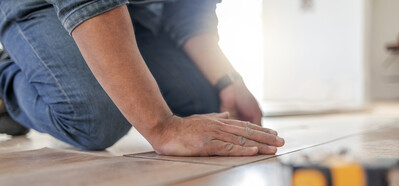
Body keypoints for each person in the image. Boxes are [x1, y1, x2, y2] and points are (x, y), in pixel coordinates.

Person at [0, 0, 285, 156]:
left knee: (205, 102)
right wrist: (162, 127)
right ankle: (8, 77)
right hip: (44, 4)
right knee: (97, 118)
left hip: (135, 14)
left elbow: (190, 13)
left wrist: (229, 82)